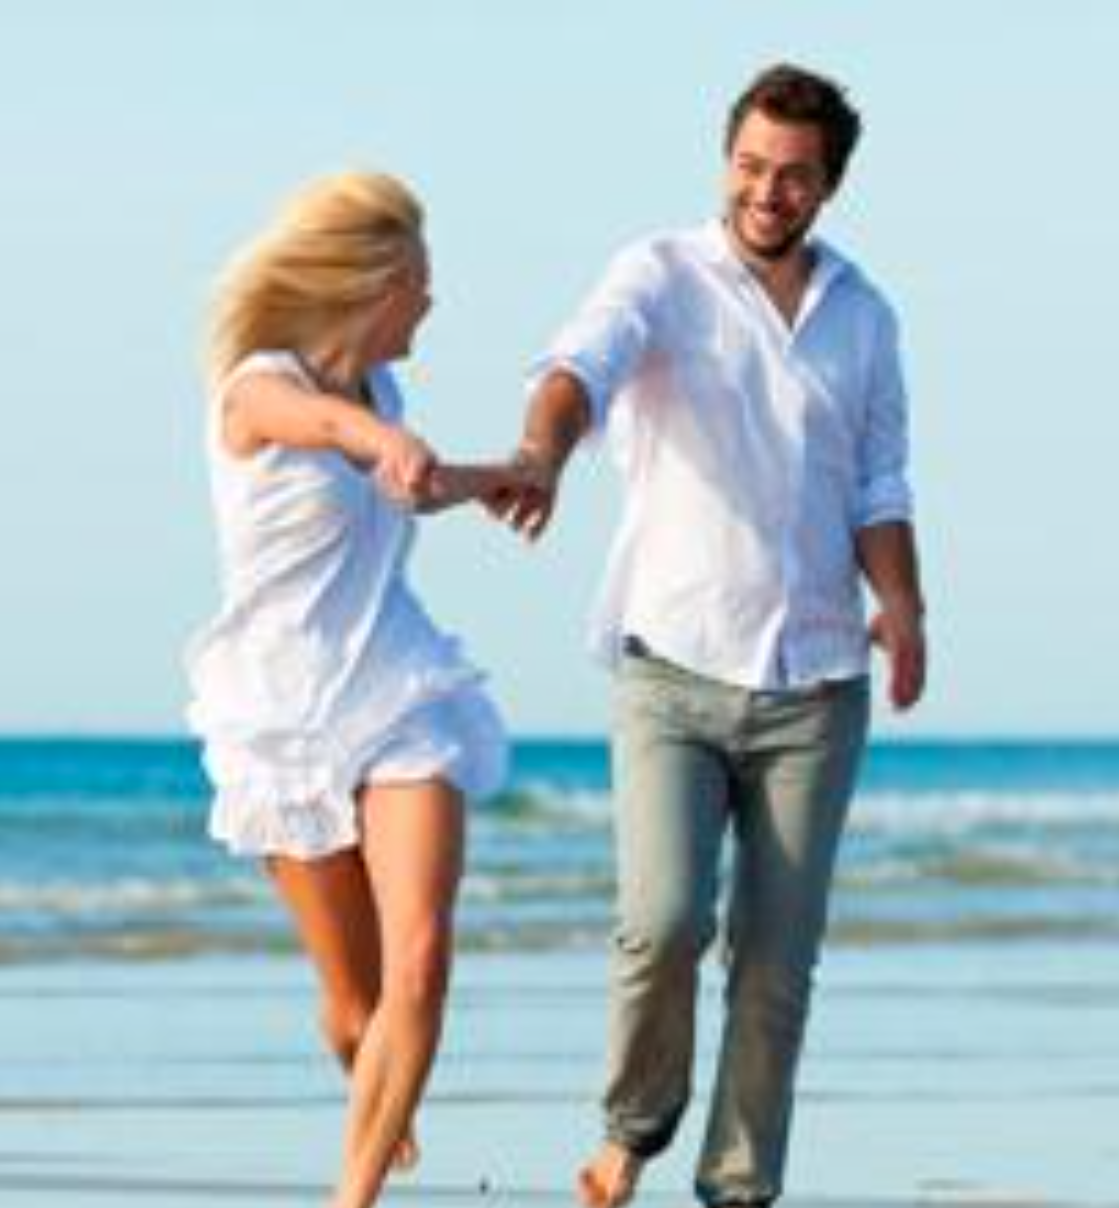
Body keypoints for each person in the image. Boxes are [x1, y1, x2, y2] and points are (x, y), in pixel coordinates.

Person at [496, 64, 930, 1208]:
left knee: (777, 961)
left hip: (817, 680)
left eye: (792, 176)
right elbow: (576, 367)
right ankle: (632, 1125)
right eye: (748, 166)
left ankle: (738, 1187)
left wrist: (903, 604)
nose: (764, 192)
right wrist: (540, 453)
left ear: (827, 186)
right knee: (663, 918)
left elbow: (878, 481)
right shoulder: (660, 274)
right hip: (673, 668)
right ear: (724, 160)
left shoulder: (864, 316)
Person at [185, 170, 521, 1208]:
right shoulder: (257, 387)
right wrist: (379, 438)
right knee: (355, 1005)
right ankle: (371, 1071)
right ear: (370, 286)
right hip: (282, 712)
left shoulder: (387, 396)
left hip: (396, 690)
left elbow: (407, 480)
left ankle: (353, 1195)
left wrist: (497, 477)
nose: (431, 301)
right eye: (419, 281)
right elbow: (323, 429)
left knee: (419, 958)